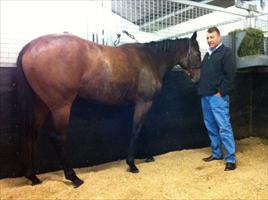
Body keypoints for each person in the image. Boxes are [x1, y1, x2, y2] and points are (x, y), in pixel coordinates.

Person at [198, 27, 236, 171]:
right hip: (205, 97)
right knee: (211, 126)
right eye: (207, 38)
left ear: (219, 37)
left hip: (217, 97)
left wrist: (221, 92)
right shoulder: (207, 55)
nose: (209, 40)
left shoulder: (226, 53)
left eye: (212, 37)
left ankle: (231, 159)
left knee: (224, 126)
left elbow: (231, 75)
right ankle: (216, 153)